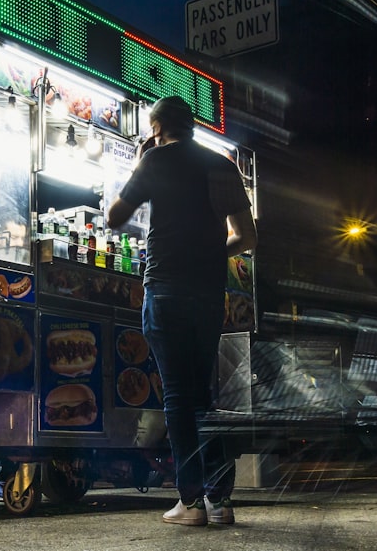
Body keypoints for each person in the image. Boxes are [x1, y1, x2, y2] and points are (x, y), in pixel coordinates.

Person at [106, 95, 257, 526]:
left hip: (167, 291)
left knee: (177, 395)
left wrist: (139, 164)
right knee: (204, 395)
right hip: (208, 295)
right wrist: (209, 255)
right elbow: (247, 238)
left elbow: (116, 217)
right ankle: (220, 501)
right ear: (191, 125)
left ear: (155, 128)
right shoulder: (221, 165)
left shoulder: (154, 162)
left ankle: (189, 503)